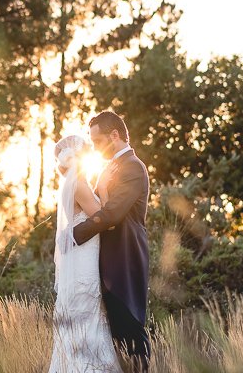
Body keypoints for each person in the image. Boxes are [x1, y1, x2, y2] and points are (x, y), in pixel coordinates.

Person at [58, 111, 152, 372]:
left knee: (131, 328)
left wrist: (74, 235)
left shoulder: (133, 167)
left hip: (124, 258)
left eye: (98, 141)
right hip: (106, 262)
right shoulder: (111, 169)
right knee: (114, 338)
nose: (95, 148)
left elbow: (111, 214)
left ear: (115, 135)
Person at [48, 134, 122, 373]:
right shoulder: (79, 185)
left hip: (82, 258)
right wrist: (102, 187)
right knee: (88, 320)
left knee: (84, 323)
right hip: (83, 264)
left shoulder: (75, 184)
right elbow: (106, 220)